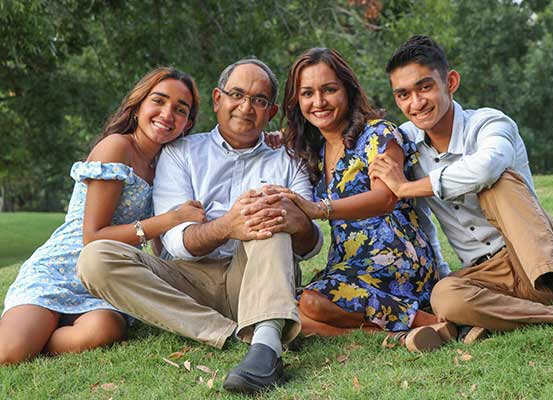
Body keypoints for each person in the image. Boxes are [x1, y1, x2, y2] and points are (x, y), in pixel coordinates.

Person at [76, 58, 322, 393]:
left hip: (255, 274)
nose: (246, 107)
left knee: (267, 213)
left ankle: (265, 350)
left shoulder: (288, 158)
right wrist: (227, 226)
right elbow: (175, 242)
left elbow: (310, 246)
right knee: (96, 258)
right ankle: (228, 331)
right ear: (218, 99)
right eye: (237, 94)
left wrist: (299, 225)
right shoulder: (181, 153)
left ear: (271, 111)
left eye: (259, 100)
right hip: (187, 279)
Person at [369, 35, 553, 371]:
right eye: (403, 94)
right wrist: (281, 139)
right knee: (444, 296)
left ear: (451, 82)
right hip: (487, 275)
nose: (416, 102)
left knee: (497, 183)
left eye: (424, 87)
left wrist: (407, 187)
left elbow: (487, 167)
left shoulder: (490, 123)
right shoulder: (406, 143)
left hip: (543, 253)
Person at [0, 67, 205, 365]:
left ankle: (41, 333)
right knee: (9, 354)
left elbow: (162, 244)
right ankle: (31, 327)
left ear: (187, 123)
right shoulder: (116, 148)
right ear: (138, 106)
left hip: (106, 281)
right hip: (60, 269)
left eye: (180, 109)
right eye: (158, 101)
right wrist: (170, 219)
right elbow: (92, 237)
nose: (167, 113)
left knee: (103, 330)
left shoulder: (169, 164)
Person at [268, 47, 455, 351]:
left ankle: (422, 319)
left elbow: (385, 198)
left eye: (329, 90)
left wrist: (320, 209)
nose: (319, 102)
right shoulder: (312, 151)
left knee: (311, 304)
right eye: (307, 93)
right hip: (349, 263)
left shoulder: (378, 134)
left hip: (395, 257)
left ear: (348, 90)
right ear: (296, 100)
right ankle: (400, 335)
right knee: (291, 313)